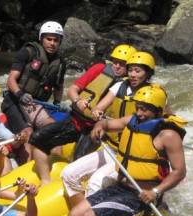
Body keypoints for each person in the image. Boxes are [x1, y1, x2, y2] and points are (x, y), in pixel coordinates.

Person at [67, 84, 187, 216]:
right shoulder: (133, 120)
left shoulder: (168, 135)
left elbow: (179, 172)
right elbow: (107, 124)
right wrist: (99, 126)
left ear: (158, 111)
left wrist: (155, 192)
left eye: (144, 109)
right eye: (138, 107)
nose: (139, 112)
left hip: (142, 195)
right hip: (121, 187)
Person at [61, 51, 159, 207]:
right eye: (131, 70)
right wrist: (97, 112)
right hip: (111, 148)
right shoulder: (120, 85)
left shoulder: (154, 94)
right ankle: (83, 209)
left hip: (131, 154)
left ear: (148, 74)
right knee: (68, 173)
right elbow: (100, 107)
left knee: (95, 182)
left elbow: (166, 118)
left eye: (138, 71)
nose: (132, 74)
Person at [29, 44, 137, 185]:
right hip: (76, 120)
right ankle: (45, 181)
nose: (117, 66)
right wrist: (78, 100)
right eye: (115, 61)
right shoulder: (100, 69)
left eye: (122, 64)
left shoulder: (129, 88)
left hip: (95, 130)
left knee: (77, 162)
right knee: (37, 139)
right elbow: (73, 89)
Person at [1, 21, 66, 160]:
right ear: (41, 38)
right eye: (49, 39)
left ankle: (56, 164)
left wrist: (57, 102)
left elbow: (59, 85)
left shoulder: (60, 63)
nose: (52, 43)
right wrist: (20, 94)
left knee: (53, 128)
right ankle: (28, 170)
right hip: (14, 101)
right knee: (28, 132)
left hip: (36, 105)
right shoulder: (28, 52)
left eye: (56, 40)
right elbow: (11, 80)